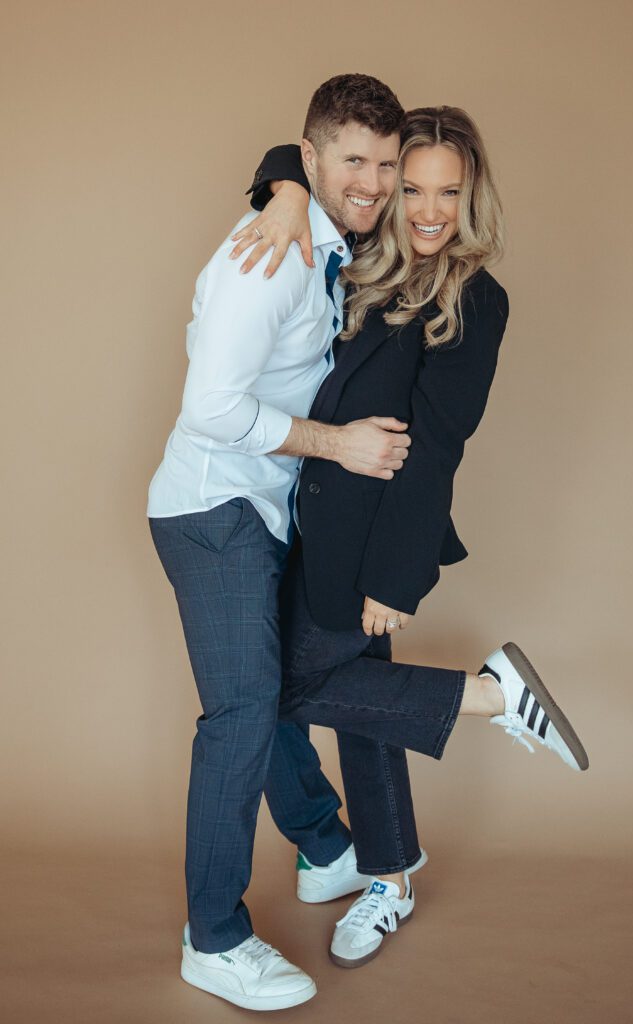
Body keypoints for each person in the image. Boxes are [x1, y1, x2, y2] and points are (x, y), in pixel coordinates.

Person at [229, 104, 589, 971]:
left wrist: (395, 581)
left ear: (473, 199)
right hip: (303, 515)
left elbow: (433, 454)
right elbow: (307, 157)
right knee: (352, 695)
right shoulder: (363, 262)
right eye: (412, 185)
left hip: (370, 538)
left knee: (270, 691)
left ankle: (495, 697)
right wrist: (282, 191)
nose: (429, 210)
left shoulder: (472, 295)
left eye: (449, 192)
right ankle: (387, 873)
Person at [147, 74, 409, 1011]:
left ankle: (327, 851)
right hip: (213, 510)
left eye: (384, 163)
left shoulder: (326, 229)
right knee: (243, 712)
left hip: (262, 507)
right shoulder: (270, 257)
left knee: (283, 688)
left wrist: (288, 186)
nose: (373, 183)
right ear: (311, 160)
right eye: (352, 163)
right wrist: (338, 445)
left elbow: (303, 171)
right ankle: (211, 938)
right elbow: (209, 410)